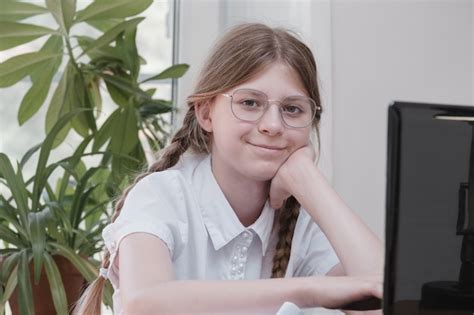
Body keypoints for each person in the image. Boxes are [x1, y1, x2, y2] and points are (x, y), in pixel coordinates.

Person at [74, 23, 383, 315]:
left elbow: (391, 301)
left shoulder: (301, 218)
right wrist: (308, 290)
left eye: (292, 109)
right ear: (206, 113)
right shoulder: (162, 196)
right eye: (250, 103)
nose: (273, 125)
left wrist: (309, 180)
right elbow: (146, 302)